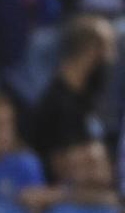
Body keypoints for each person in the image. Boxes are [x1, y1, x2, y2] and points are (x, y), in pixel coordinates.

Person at [30, 15, 117, 175]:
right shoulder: (54, 99)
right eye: (106, 46)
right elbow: (56, 158)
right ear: (90, 49)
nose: (111, 55)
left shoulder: (91, 89)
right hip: (63, 184)